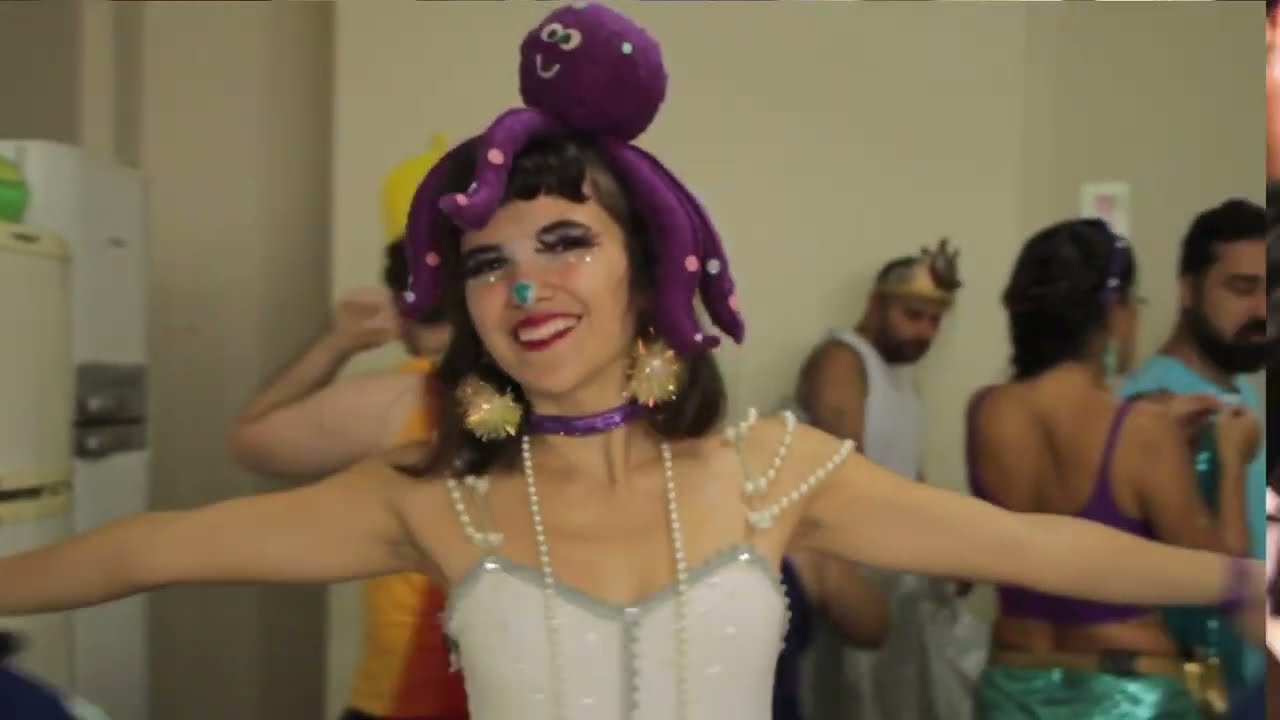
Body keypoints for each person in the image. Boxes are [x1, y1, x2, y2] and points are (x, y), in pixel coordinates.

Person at [0, 6, 1267, 720]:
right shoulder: (432, 497)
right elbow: (150, 547)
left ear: (646, 267)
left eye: (564, 242)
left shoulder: (773, 470)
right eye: (488, 264)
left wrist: (1243, 576)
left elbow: (1033, 544)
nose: (524, 288)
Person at [967, 218, 1257, 719]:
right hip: (1122, 693)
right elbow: (1220, 576)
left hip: (1012, 682)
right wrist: (1232, 461)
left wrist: (1153, 430)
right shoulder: (1140, 431)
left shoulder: (987, 412)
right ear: (1113, 310)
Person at [227, 140, 462, 720]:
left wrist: (339, 342)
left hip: (405, 698)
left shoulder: (402, 402)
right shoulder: (579, 397)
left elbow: (253, 438)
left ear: (406, 305)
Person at [794, 241, 986, 720]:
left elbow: (907, 479)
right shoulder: (841, 359)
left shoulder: (901, 380)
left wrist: (951, 543)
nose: (925, 332)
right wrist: (932, 546)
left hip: (895, 577)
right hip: (845, 582)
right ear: (876, 303)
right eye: (913, 315)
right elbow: (846, 478)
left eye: (935, 321)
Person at [1120, 199, 1268, 698]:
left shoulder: (1241, 387)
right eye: (1241, 289)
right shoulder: (1149, 409)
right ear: (1188, 290)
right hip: (1189, 691)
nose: (1262, 311)